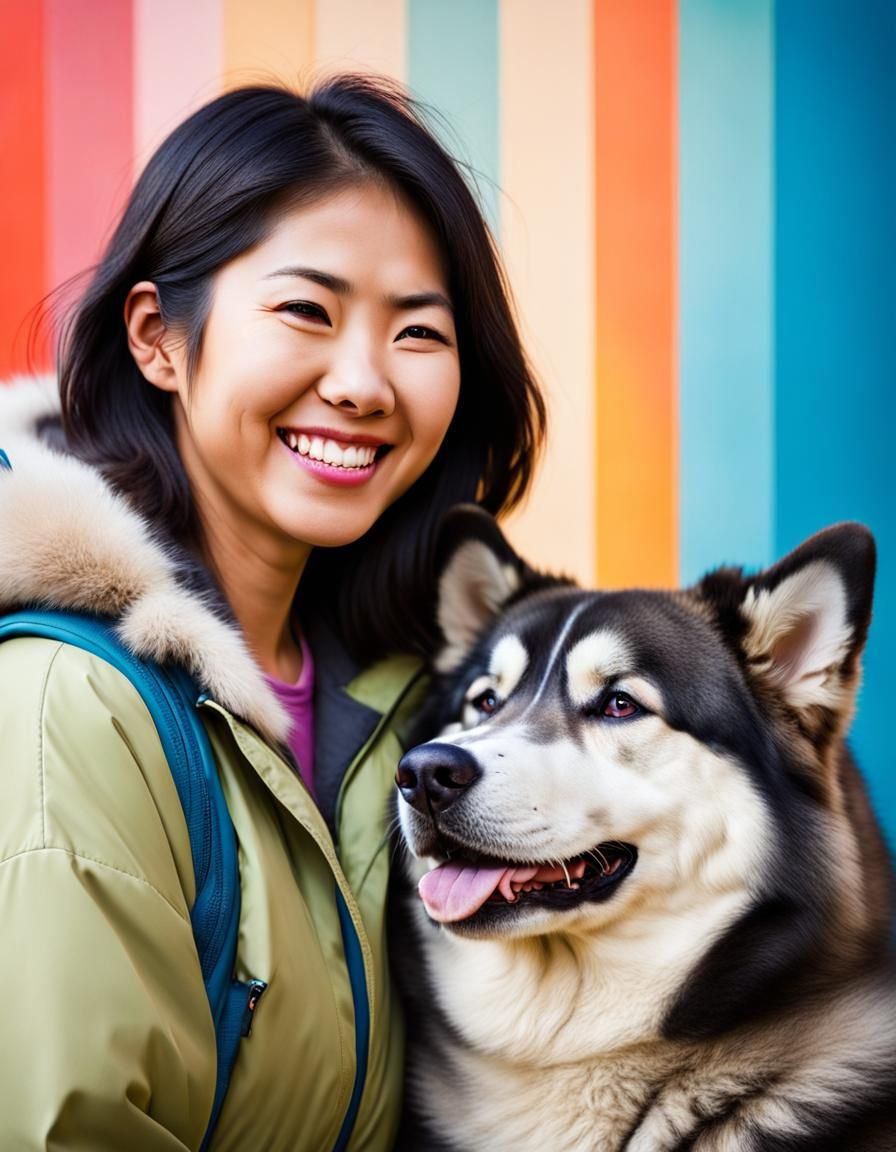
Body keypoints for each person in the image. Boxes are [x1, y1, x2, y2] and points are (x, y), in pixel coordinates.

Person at [0, 76, 545, 1150]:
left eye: (417, 333)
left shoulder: (412, 709)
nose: (362, 382)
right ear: (158, 337)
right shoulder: (68, 706)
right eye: (307, 310)